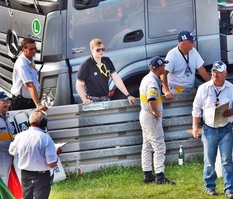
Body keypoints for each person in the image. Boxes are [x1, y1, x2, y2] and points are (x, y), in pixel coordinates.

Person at [192, 61, 233, 199]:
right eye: (214, 71)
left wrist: (231, 111)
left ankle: (229, 189)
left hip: (225, 128)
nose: (215, 74)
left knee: (227, 160)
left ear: (225, 73)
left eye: (219, 72)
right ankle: (210, 186)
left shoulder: (232, 89)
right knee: (209, 159)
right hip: (209, 129)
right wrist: (195, 126)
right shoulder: (203, 88)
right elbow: (196, 108)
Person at [8, 110, 61, 199]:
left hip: (25, 174)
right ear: (43, 123)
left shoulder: (20, 136)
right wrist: (56, 153)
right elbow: (52, 163)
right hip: (41, 175)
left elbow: (12, 151)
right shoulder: (45, 138)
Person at [140, 56, 175, 185]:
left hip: (144, 114)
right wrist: (156, 112)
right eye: (163, 66)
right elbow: (151, 99)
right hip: (150, 117)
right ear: (159, 67)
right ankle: (159, 177)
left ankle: (147, 174)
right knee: (159, 145)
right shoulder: (153, 82)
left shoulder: (146, 78)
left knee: (147, 145)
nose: (165, 68)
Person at [76, 38, 137, 105]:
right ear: (92, 50)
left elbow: (116, 79)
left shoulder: (107, 61)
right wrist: (84, 99)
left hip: (106, 98)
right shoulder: (86, 64)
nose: (101, 51)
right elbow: (79, 85)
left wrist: (128, 95)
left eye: (103, 49)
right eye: (98, 50)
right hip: (92, 100)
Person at [162, 31, 211, 99]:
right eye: (191, 42)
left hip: (189, 89)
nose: (193, 44)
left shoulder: (193, 51)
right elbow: (163, 74)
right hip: (175, 90)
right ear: (184, 43)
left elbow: (201, 70)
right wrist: (167, 91)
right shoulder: (172, 54)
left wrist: (212, 84)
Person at [11, 38, 48, 111]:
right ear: (23, 49)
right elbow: (30, 85)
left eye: (35, 49)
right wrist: (39, 105)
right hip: (21, 102)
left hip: (30, 100)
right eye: (31, 49)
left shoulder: (30, 59)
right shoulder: (22, 64)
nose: (34, 51)